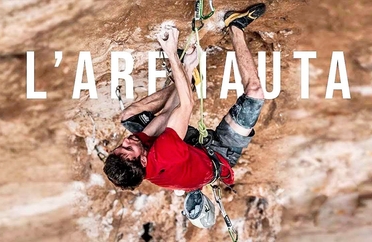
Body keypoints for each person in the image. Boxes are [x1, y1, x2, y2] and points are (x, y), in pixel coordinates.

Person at [104, 3, 267, 191]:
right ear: (142, 159)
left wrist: (187, 69)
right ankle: (235, 26)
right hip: (219, 155)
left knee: (129, 117)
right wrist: (171, 53)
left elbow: (166, 114)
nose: (126, 141)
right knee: (255, 93)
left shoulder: (142, 151)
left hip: (188, 147)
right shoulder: (163, 154)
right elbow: (186, 105)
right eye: (128, 149)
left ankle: (187, 80)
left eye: (119, 146)